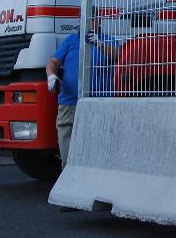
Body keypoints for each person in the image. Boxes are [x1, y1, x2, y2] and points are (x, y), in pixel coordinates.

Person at [46, 19, 121, 172]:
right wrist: (51, 75)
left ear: (98, 20)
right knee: (67, 144)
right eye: (83, 19)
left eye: (91, 19)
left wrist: (98, 43)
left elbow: (118, 55)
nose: (87, 23)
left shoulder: (107, 40)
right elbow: (53, 61)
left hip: (99, 103)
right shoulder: (71, 41)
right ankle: (67, 177)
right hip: (70, 103)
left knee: (97, 146)